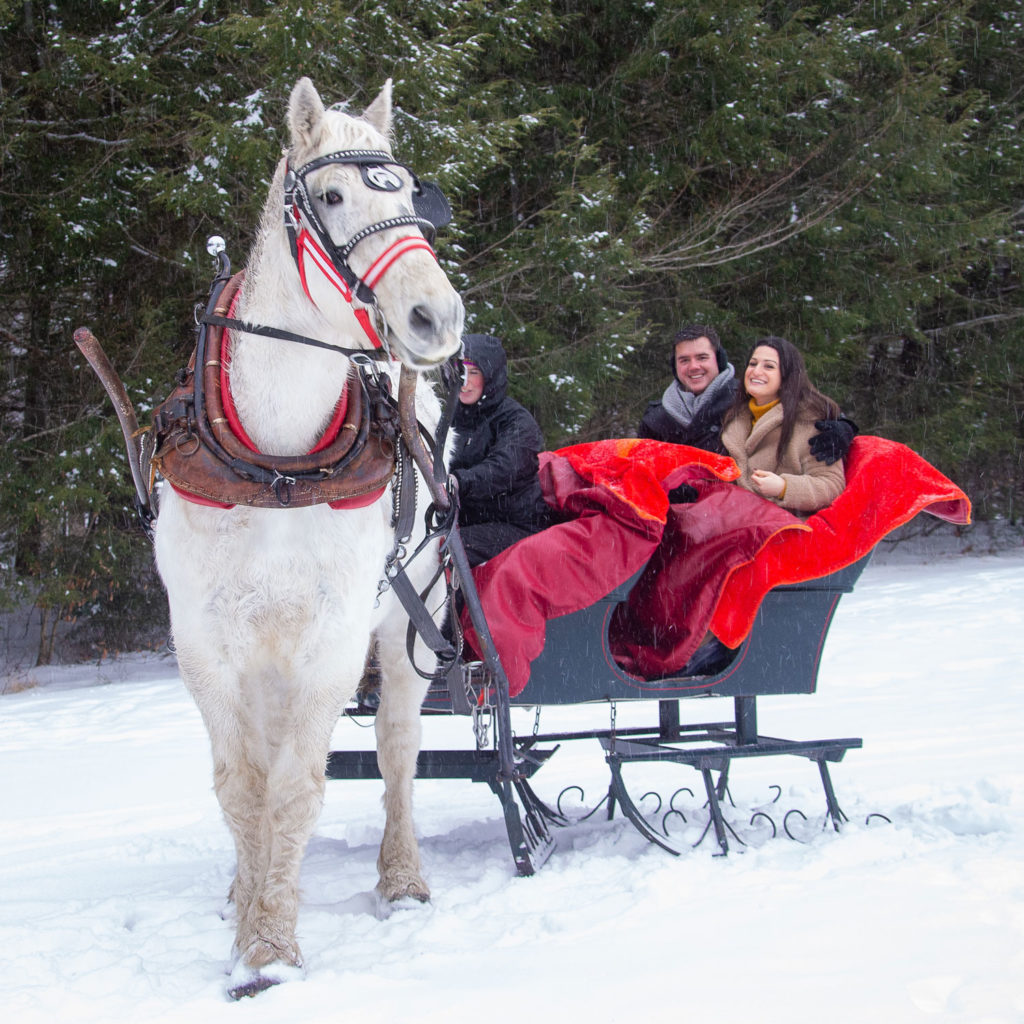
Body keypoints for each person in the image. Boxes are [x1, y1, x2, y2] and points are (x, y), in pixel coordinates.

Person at [638, 323, 854, 465]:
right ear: (674, 366)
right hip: (673, 519)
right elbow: (641, 469)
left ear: (719, 360)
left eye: (702, 357)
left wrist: (843, 428)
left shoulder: (746, 396)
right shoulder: (656, 417)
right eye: (684, 360)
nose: (693, 366)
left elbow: (805, 405)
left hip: (734, 515)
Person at [450, 334, 550, 566]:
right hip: (465, 520)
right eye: (460, 370)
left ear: (491, 375)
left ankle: (451, 603)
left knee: (447, 549)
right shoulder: (450, 416)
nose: (464, 382)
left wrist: (458, 482)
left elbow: (504, 469)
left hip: (515, 525)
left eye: (474, 372)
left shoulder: (516, 421)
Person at [720, 336, 846, 514]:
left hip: (785, 534)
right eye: (753, 363)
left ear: (787, 376)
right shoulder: (733, 417)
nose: (756, 371)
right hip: (737, 528)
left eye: (769, 366)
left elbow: (832, 486)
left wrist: (784, 487)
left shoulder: (810, 422)